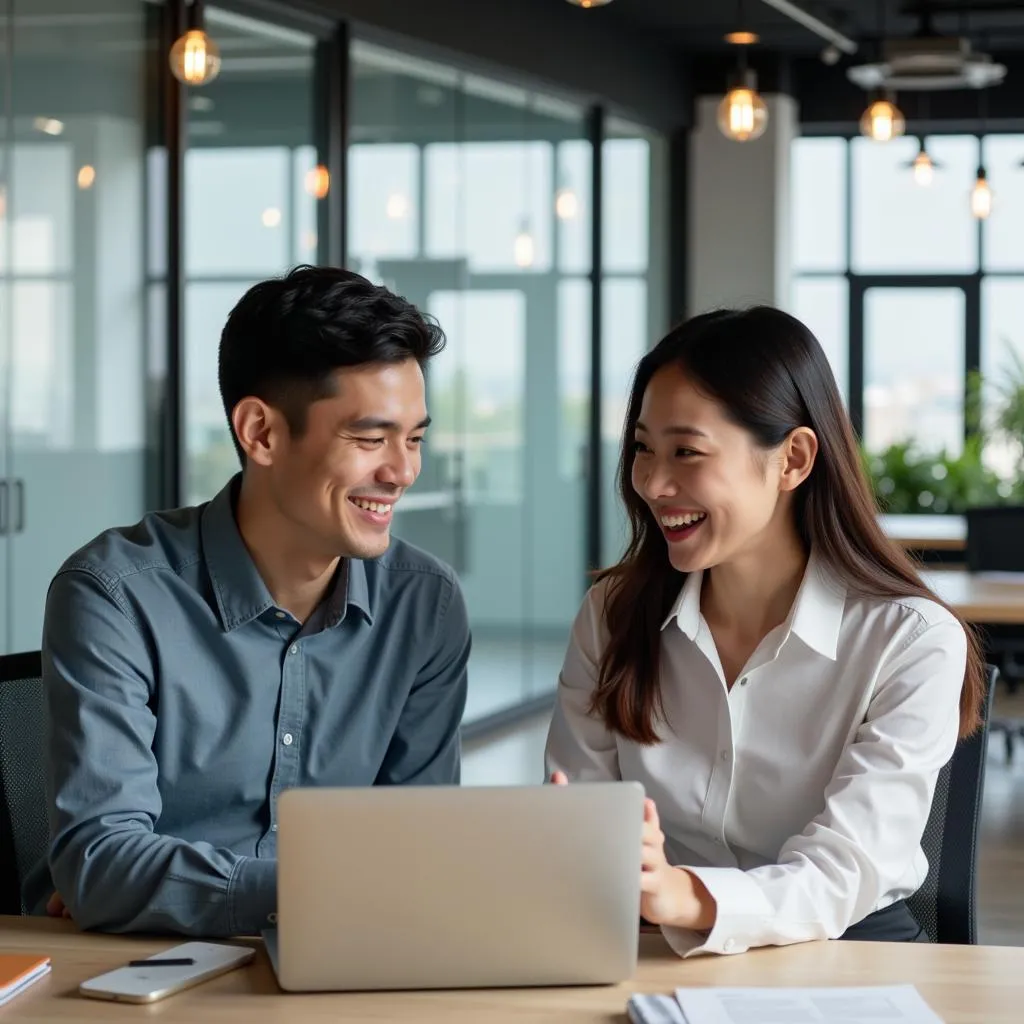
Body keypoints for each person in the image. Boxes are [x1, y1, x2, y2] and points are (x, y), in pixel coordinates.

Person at [26, 266, 470, 936]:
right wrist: (333, 890)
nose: (403, 471)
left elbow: (421, 854)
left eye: (414, 439)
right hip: (137, 975)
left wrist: (161, 885)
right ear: (260, 432)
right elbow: (102, 866)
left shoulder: (425, 606)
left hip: (344, 959)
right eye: (371, 438)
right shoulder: (114, 596)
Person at [546, 306, 985, 957]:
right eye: (643, 448)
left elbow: (840, 874)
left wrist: (683, 893)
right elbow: (575, 831)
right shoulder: (613, 614)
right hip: (652, 949)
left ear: (794, 459)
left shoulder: (911, 641)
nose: (653, 484)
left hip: (847, 954)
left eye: (687, 452)